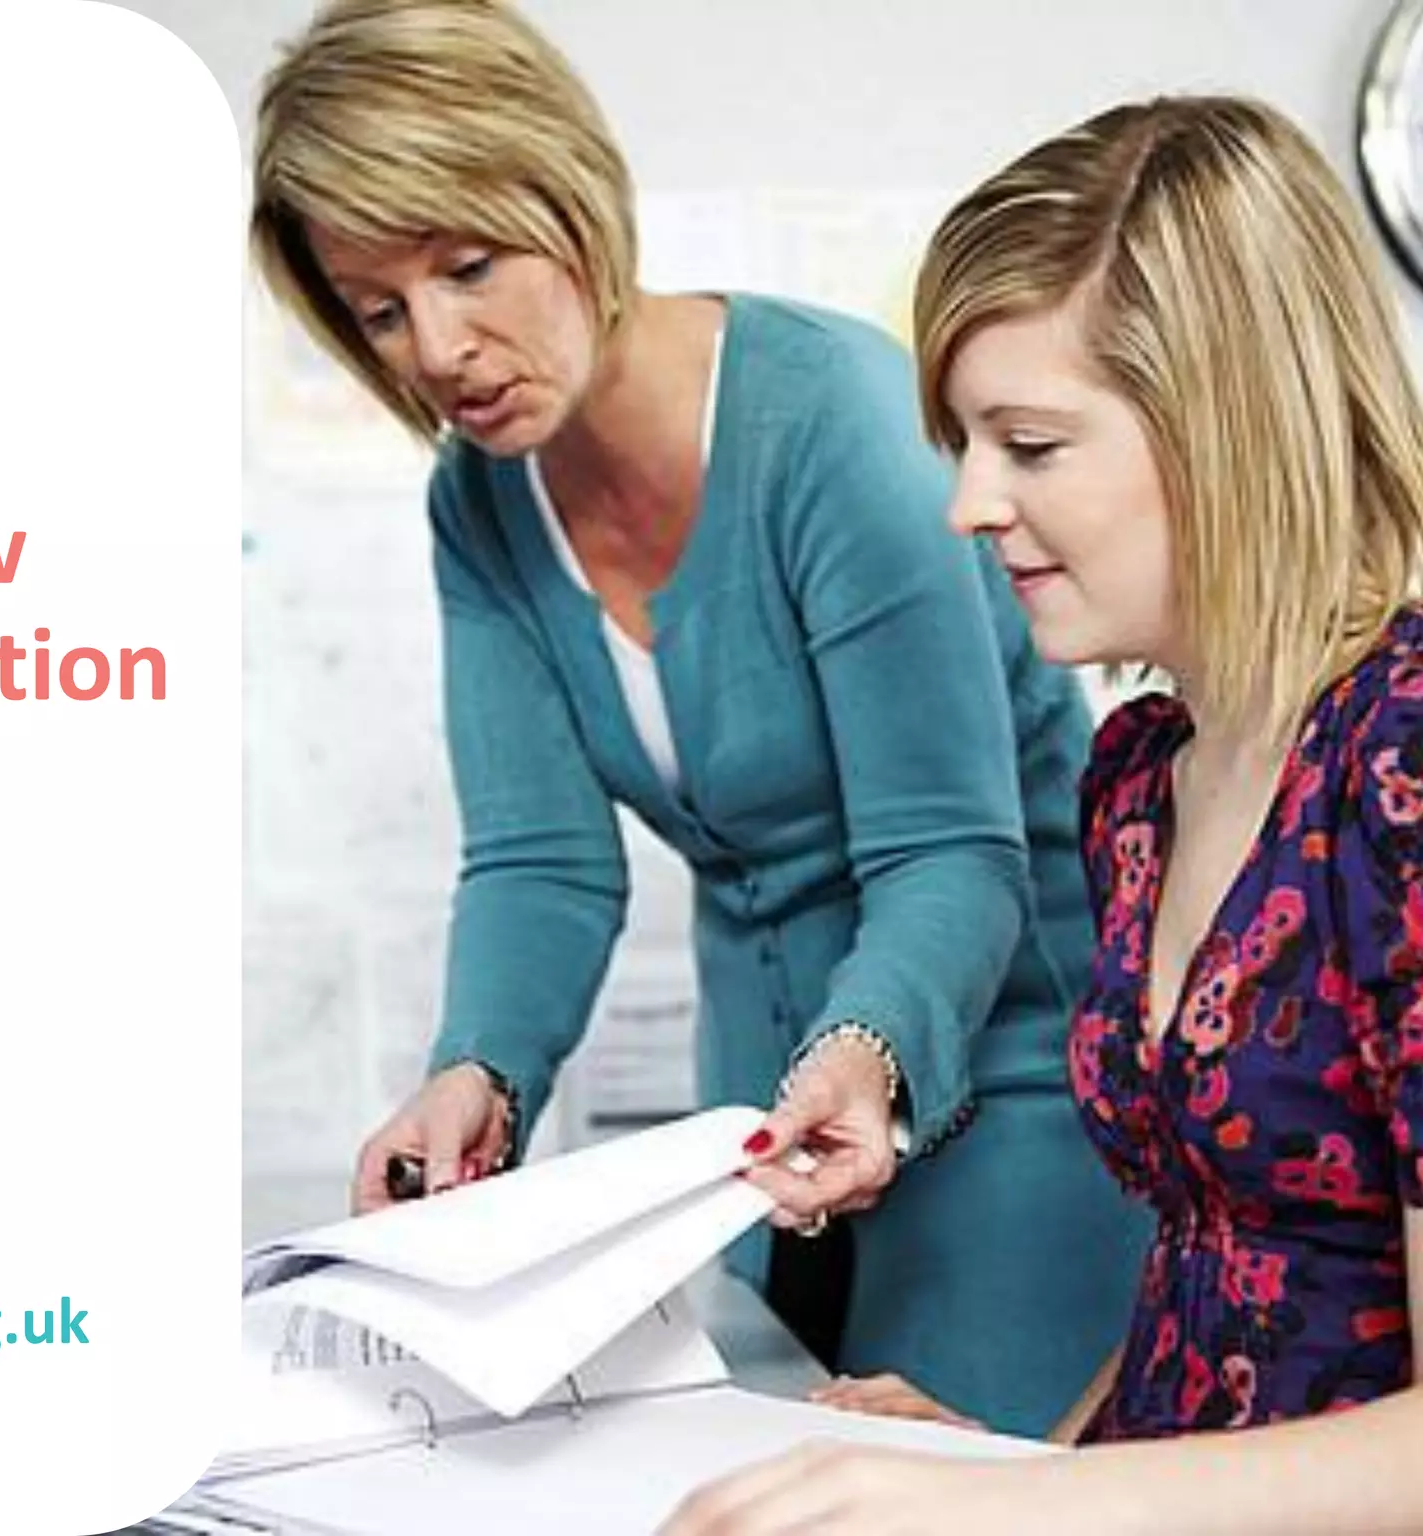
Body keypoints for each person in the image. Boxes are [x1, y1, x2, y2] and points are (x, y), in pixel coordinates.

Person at [249, 0, 1144, 1435]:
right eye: (381, 309)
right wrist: (477, 1072)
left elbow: (950, 854)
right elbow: (541, 861)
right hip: (759, 1137)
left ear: (567, 192)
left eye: (469, 265)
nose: (440, 346)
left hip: (1007, 1092)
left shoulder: (834, 420)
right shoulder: (481, 501)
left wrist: (864, 1056)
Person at [663, 93, 1423, 1534]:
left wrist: (1019, 1514)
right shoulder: (1139, 778)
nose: (966, 506)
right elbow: (1208, 1284)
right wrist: (1005, 1467)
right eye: (963, 443)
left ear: (1225, 428)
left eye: (1028, 443)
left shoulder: (1402, 763)